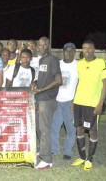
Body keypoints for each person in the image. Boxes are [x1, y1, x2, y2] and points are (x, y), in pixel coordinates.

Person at [71, 40, 106, 170]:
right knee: (79, 129)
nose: (87, 50)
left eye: (89, 48)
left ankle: (89, 159)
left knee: (92, 131)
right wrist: (73, 101)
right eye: (84, 48)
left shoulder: (101, 62)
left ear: (94, 49)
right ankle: (82, 157)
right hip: (79, 102)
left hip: (92, 104)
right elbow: (79, 82)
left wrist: (100, 104)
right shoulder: (80, 64)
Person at [31, 36, 62, 170]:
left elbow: (58, 80)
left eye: (44, 45)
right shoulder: (42, 60)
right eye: (40, 45)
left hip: (47, 99)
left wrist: (42, 89)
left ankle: (47, 160)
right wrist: (36, 82)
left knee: (44, 129)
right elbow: (44, 77)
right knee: (38, 127)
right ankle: (41, 150)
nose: (42, 47)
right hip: (39, 98)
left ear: (48, 46)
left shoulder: (53, 60)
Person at [51, 43, 78, 160]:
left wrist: (75, 100)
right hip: (57, 101)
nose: (68, 53)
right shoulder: (58, 64)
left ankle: (68, 151)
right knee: (54, 127)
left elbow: (81, 84)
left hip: (70, 102)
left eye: (71, 50)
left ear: (74, 52)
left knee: (71, 128)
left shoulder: (78, 65)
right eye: (66, 50)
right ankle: (54, 149)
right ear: (63, 51)